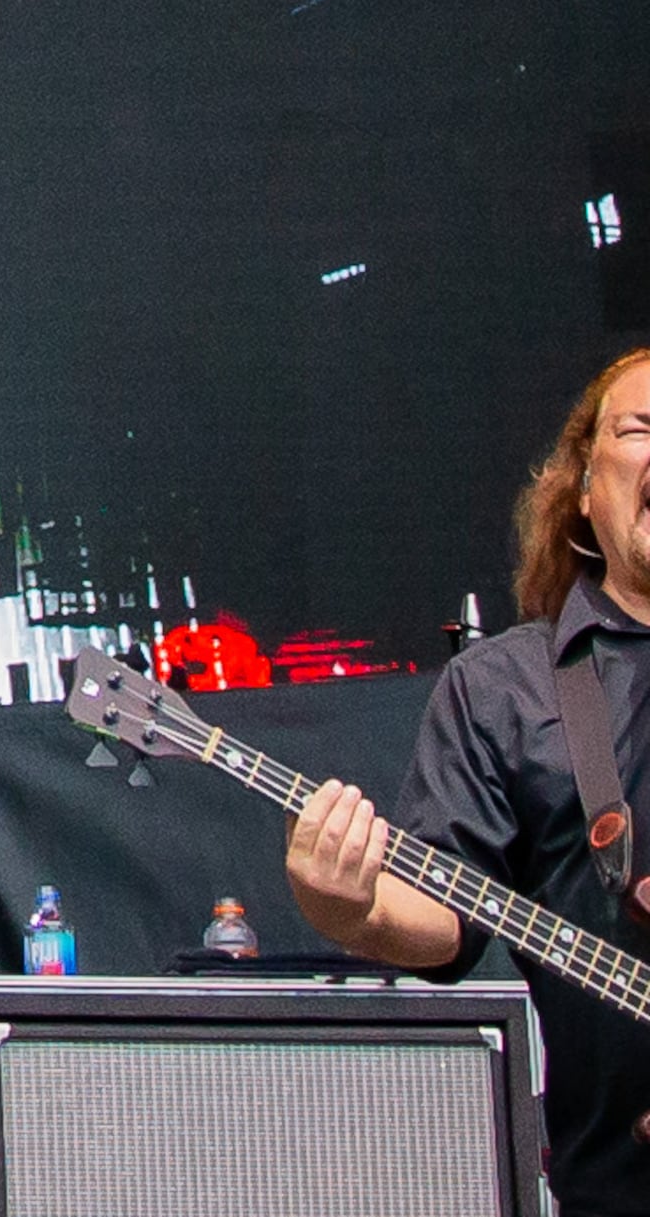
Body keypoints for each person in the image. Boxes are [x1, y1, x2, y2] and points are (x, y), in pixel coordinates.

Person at [287, 345, 650, 1215]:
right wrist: (349, 906)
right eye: (641, 429)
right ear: (584, 493)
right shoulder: (507, 688)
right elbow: (445, 922)